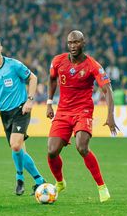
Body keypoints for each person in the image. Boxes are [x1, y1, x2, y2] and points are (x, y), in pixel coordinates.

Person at [46, 30, 119, 203]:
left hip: (83, 111)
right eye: (70, 43)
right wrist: (49, 102)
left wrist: (110, 116)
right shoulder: (58, 61)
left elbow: (107, 90)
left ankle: (102, 187)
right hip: (63, 111)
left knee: (81, 146)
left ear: (83, 43)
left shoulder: (92, 65)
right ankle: (60, 182)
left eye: (76, 42)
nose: (73, 46)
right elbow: (52, 79)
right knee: (51, 151)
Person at [0, 37, 46, 196]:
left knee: (15, 145)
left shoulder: (13, 65)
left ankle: (19, 179)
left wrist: (30, 100)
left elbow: (33, 78)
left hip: (21, 110)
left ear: (1, 48)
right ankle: (39, 181)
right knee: (19, 150)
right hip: (5, 113)